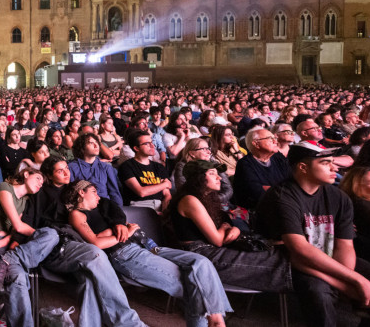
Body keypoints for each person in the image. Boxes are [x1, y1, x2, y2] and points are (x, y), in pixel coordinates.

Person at [254, 146, 370, 325]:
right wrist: (356, 281)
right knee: (319, 292)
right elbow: (299, 251)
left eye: (333, 162)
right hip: (288, 261)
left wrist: (348, 277)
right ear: (303, 167)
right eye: (325, 163)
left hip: (327, 256)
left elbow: (345, 245)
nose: (335, 168)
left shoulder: (339, 197)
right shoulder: (282, 196)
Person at [63, 179, 232, 327]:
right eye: (93, 192)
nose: (98, 196)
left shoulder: (103, 207)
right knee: (194, 286)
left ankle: (216, 318)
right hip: (125, 253)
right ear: (81, 192)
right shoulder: (76, 214)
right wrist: (125, 233)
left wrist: (113, 231)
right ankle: (216, 322)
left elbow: (117, 225)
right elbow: (96, 242)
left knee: (202, 263)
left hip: (148, 245)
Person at [21, 157, 148, 327]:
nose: (67, 172)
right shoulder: (40, 193)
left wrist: (118, 222)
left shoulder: (75, 188)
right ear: (49, 176)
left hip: (77, 243)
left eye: (67, 167)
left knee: (89, 279)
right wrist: (17, 243)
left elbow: (105, 204)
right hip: (57, 245)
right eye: (60, 170)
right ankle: (129, 323)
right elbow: (28, 223)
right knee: (95, 254)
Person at [169, 160, 292, 292]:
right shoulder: (190, 200)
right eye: (212, 174)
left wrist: (233, 228)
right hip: (201, 255)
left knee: (277, 251)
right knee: (276, 261)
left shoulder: (207, 198)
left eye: (217, 174)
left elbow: (221, 233)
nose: (219, 178)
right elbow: (217, 239)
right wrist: (225, 227)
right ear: (198, 178)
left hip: (212, 249)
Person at [0, 168, 58, 327]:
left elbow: (13, 233)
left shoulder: (24, 202)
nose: (40, 184)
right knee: (18, 276)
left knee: (52, 235)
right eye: (38, 178)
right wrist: (38, 235)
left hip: (3, 248)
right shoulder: (4, 188)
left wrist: (1, 243)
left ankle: (11, 315)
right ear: (26, 174)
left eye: (42, 183)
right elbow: (17, 226)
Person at [232, 128, 290, 211]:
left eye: (275, 138)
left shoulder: (278, 157)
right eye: (271, 139)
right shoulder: (245, 164)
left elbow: (293, 181)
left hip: (284, 205)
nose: (276, 142)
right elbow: (258, 193)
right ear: (256, 144)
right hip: (261, 211)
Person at [118, 131, 171, 210]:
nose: (152, 146)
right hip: (138, 206)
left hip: (160, 205)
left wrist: (164, 210)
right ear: (136, 148)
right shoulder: (127, 166)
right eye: (147, 143)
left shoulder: (158, 166)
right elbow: (141, 192)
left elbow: (167, 194)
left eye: (151, 142)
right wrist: (164, 184)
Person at [171, 137, 233, 205]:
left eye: (208, 149)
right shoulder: (182, 166)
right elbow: (183, 190)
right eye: (204, 149)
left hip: (219, 203)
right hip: (194, 205)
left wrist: (213, 200)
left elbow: (228, 190)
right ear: (192, 153)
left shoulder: (215, 164)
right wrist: (204, 202)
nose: (209, 152)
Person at [68, 132, 123, 206]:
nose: (96, 145)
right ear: (82, 148)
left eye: (96, 142)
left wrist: (118, 212)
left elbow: (114, 193)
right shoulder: (72, 167)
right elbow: (69, 193)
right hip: (81, 207)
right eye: (91, 143)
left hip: (104, 208)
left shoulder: (106, 167)